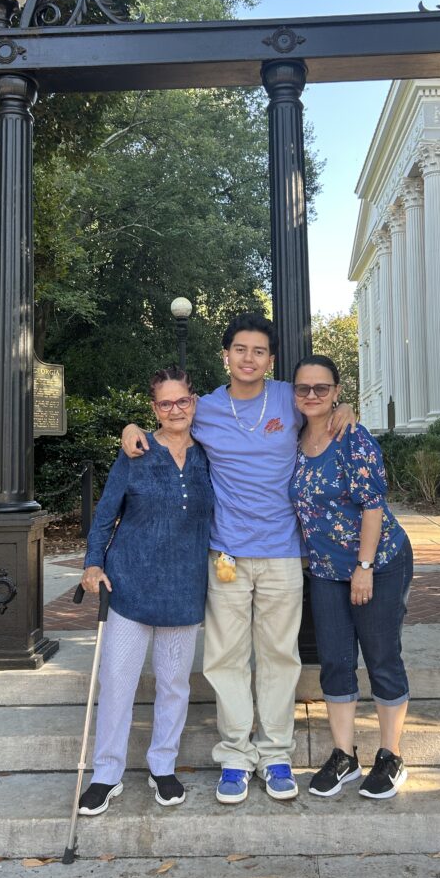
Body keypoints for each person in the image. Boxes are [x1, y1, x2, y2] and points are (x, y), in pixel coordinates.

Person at [121, 313, 356, 805]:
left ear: (271, 360)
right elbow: (167, 420)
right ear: (225, 355)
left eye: (260, 351)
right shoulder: (203, 407)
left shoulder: (288, 401)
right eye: (240, 350)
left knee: (277, 657)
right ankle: (234, 756)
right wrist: (130, 428)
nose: (249, 359)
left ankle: (274, 756)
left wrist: (347, 407)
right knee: (226, 658)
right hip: (225, 552)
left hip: (283, 553)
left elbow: (327, 408)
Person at [78, 367, 213, 814]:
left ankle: (163, 765)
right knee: (118, 680)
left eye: (183, 401)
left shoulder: (209, 453)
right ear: (154, 408)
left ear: (194, 402)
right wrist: (93, 562)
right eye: (165, 403)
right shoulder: (135, 451)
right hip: (131, 583)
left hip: (184, 586)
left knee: (174, 682)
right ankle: (106, 773)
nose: (176, 410)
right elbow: (105, 513)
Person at [289, 354, 413, 800]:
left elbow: (372, 504)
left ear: (337, 392)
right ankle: (343, 755)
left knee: (380, 655)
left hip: (377, 562)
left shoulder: (351, 436)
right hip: (325, 570)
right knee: (337, 661)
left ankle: (390, 754)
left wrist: (364, 568)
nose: (312, 396)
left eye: (322, 388)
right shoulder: (292, 435)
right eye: (303, 388)